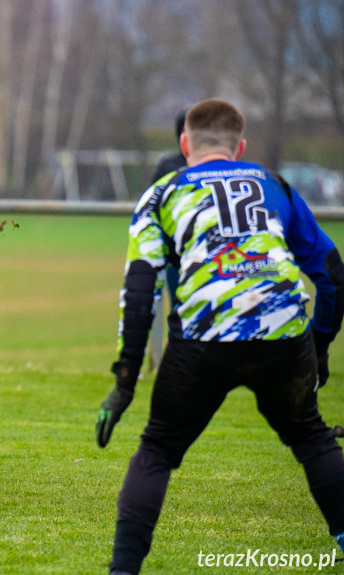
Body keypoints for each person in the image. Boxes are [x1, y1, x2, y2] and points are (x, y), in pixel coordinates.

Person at [95, 99, 344, 574]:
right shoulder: (275, 185)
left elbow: (141, 287)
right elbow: (333, 276)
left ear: (184, 144)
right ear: (241, 147)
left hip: (204, 338)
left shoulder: (162, 193)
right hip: (282, 332)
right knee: (313, 439)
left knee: (158, 451)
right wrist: (319, 346)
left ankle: (123, 570)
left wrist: (126, 378)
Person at [145, 110, 187, 370]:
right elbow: (150, 205)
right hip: (175, 256)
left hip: (214, 255)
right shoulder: (167, 167)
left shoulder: (213, 167)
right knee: (178, 310)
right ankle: (174, 366)